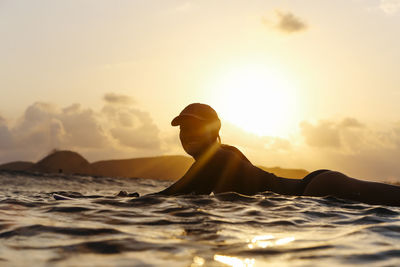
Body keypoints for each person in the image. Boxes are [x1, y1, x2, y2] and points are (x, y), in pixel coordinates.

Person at [156, 103, 400, 206]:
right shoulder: (226, 155)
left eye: (196, 126)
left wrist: (125, 203)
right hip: (314, 193)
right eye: (184, 128)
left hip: (318, 191)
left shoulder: (218, 158)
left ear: (215, 129)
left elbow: (171, 195)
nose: (188, 133)